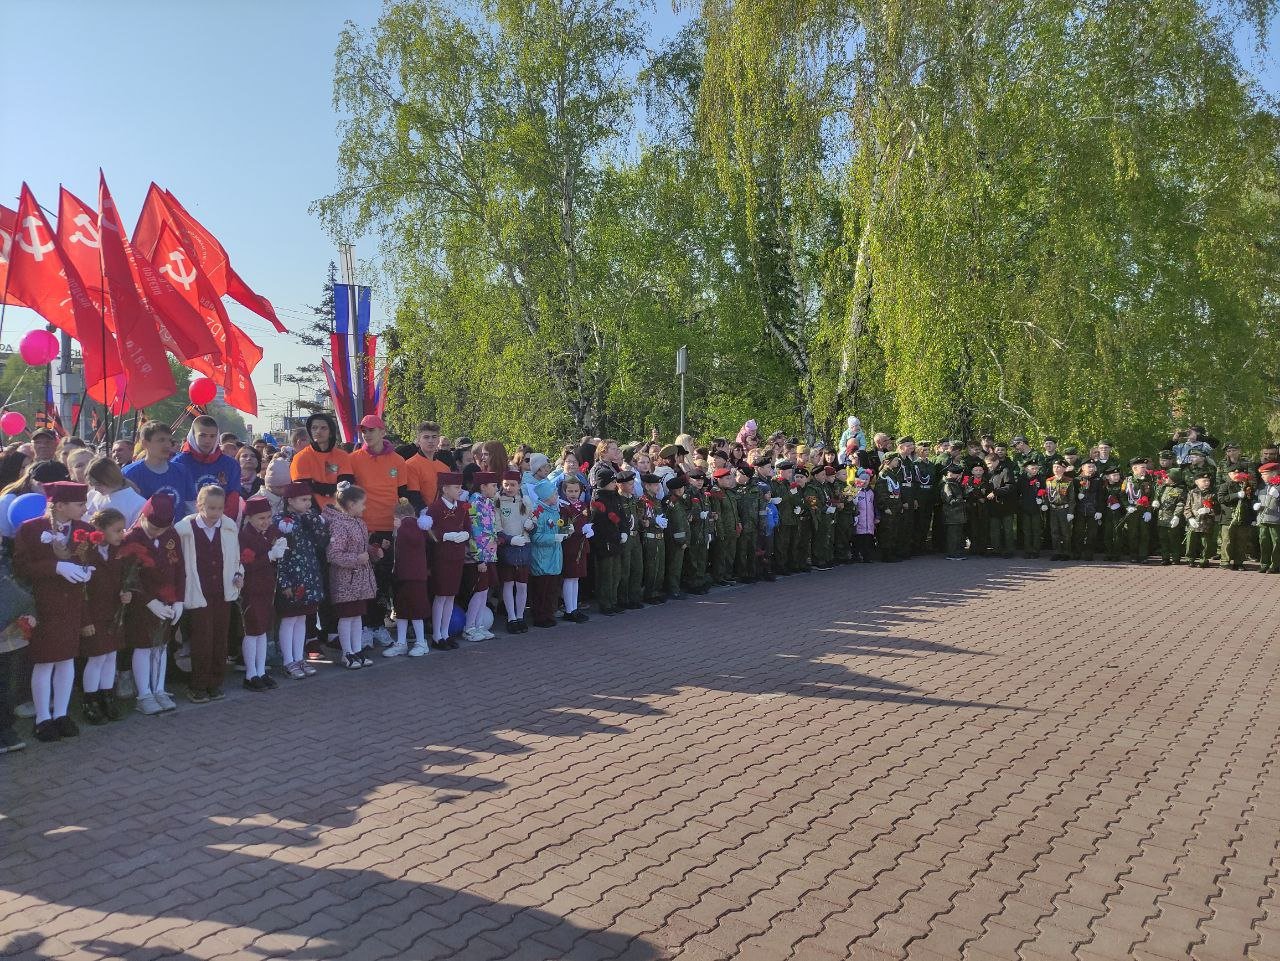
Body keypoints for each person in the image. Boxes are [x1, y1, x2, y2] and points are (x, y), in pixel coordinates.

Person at [13, 482, 94, 742]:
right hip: (44, 605)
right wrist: (55, 567)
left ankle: (60, 713)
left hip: (72, 603)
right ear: (59, 505)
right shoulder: (31, 529)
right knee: (45, 661)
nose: (85, 508)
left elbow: (90, 559)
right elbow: (22, 568)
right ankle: (42, 718)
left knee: (67, 659)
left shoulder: (86, 530)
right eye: (79, 504)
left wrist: (88, 570)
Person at [174, 486, 243, 704]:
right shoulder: (185, 529)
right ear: (199, 506)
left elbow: (236, 557)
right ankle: (198, 684)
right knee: (202, 639)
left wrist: (239, 573)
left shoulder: (229, 527)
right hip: (198, 591)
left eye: (220, 508)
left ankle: (215, 682)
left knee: (220, 638)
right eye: (210, 508)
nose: (215, 513)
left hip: (222, 591)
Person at [121, 494, 184, 716]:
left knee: (161, 646)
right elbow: (130, 577)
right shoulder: (132, 538)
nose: (157, 532)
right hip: (142, 604)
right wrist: (148, 601)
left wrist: (179, 600)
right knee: (143, 647)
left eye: (162, 528)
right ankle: (144, 693)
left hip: (167, 600)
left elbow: (180, 570)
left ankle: (159, 689)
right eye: (153, 527)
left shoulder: (171, 535)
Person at [79, 508, 131, 725]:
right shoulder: (86, 553)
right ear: (100, 530)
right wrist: (85, 620)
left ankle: (106, 695)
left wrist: (125, 593)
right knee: (97, 657)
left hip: (112, 612)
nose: (122, 534)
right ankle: (90, 701)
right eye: (117, 530)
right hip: (94, 614)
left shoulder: (115, 552)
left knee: (111, 656)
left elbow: (121, 579)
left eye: (123, 530)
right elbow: (80, 590)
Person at [273, 481, 330, 677]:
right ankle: (288, 660)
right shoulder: (282, 522)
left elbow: (323, 542)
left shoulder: (309, 519)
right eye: (303, 500)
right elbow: (281, 555)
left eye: (309, 500)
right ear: (290, 500)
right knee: (289, 620)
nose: (308, 503)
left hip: (308, 577)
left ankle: (299, 657)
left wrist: (315, 522)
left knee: (301, 620)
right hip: (292, 578)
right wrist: (285, 582)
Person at [325, 484, 379, 670]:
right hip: (346, 581)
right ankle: (347, 652)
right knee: (347, 617)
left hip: (360, 580)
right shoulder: (339, 525)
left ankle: (357, 650)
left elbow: (361, 547)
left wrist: (373, 551)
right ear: (350, 504)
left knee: (357, 616)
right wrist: (356, 559)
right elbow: (333, 554)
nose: (364, 507)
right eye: (362, 504)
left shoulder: (359, 522)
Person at [238, 496, 287, 690]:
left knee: (263, 632)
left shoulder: (269, 531)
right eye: (261, 518)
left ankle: (260, 670)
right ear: (249, 518)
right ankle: (251, 674)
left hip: (267, 588)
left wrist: (282, 543)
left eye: (268, 517)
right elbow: (247, 565)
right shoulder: (245, 536)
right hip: (251, 590)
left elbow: (279, 537)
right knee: (252, 631)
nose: (266, 521)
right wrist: (270, 555)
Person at [428, 472, 470, 649]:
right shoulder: (435, 507)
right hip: (442, 556)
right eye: (456, 487)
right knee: (441, 595)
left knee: (451, 595)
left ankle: (446, 632)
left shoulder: (462, 506)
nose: (460, 491)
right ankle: (437, 635)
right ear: (444, 489)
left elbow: (468, 526)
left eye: (460, 487)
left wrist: (465, 534)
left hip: (457, 556)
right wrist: (446, 536)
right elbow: (429, 531)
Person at [387, 499, 431, 657]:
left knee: (412, 610)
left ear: (398, 515)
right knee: (404, 610)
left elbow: (411, 540)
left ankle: (420, 642)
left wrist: (399, 528)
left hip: (409, 575)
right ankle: (403, 642)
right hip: (410, 575)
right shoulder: (417, 525)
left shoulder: (408, 525)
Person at [123, 422, 197, 514]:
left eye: (169, 440)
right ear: (145, 443)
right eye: (161, 440)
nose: (167, 445)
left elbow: (191, 508)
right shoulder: (129, 473)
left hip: (178, 528)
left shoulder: (181, 471)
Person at [461, 471, 500, 641]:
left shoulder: (488, 503)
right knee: (478, 591)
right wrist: (479, 557)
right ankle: (469, 628)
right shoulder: (475, 503)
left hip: (489, 554)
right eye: (493, 485)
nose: (496, 488)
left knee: (484, 591)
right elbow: (474, 532)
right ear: (483, 486)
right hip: (478, 557)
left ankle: (479, 625)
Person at [174, 415, 242, 509]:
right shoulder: (178, 464)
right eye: (202, 435)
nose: (208, 441)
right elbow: (176, 500)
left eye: (212, 436)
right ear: (193, 436)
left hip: (221, 521)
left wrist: (219, 522)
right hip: (186, 521)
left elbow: (233, 501)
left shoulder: (231, 465)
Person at [496, 469, 534, 633]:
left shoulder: (525, 501)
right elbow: (497, 527)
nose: (509, 488)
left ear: (519, 485)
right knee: (508, 583)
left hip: (524, 547)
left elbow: (532, 519)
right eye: (506, 484)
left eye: (513, 485)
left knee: (522, 585)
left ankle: (520, 616)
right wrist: (509, 539)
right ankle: (511, 617)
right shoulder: (497, 503)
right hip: (508, 549)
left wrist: (531, 525)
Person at [290, 413, 354, 510]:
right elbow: (304, 490)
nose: (318, 431)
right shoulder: (300, 457)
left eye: (323, 428)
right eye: (314, 428)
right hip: (311, 511)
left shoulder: (342, 456)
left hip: (340, 510)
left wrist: (316, 485)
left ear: (331, 433)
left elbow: (346, 486)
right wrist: (332, 488)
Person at [528, 478, 565, 628]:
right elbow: (536, 537)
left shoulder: (555, 511)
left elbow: (556, 528)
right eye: (554, 493)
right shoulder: (538, 512)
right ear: (546, 496)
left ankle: (549, 613)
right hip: (542, 557)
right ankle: (540, 616)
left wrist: (565, 531)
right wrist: (554, 538)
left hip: (554, 556)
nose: (557, 495)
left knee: (552, 588)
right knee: (541, 589)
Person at [85, 456, 147, 527]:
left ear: (110, 479)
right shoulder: (93, 494)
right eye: (92, 485)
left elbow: (136, 530)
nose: (95, 489)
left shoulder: (137, 502)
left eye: (98, 484)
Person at [1217, 465, 1255, 570]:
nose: (1237, 475)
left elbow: (1251, 501)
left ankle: (1239, 562)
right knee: (1227, 540)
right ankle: (1225, 561)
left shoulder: (1247, 486)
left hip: (1243, 518)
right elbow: (1221, 499)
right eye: (1234, 473)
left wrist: (1252, 518)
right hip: (1228, 517)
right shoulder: (1225, 486)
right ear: (1229, 474)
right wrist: (1236, 495)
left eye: (1239, 473)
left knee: (1241, 541)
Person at [1122, 458, 1156, 563]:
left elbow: (1152, 497)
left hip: (1144, 510)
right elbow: (1122, 495)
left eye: (1145, 467)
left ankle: (1143, 555)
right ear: (1134, 468)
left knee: (1144, 534)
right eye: (1142, 467)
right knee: (1133, 533)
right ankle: (1133, 555)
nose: (1145, 469)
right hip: (1133, 511)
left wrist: (1149, 510)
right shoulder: (1127, 480)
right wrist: (1127, 506)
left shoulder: (1149, 480)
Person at [1184, 471, 1220, 567]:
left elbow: (1218, 508)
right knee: (1191, 541)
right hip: (1194, 522)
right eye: (1204, 481)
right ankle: (1190, 558)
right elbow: (1187, 507)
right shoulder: (1192, 493)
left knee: (1206, 543)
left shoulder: (1213, 493)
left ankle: (1204, 559)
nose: (1207, 483)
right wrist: (1190, 518)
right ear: (1197, 482)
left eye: (1208, 480)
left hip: (1206, 522)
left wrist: (1209, 510)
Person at [1045, 460, 1076, 561]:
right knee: (1054, 532)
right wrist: (1045, 505)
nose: (1056, 469)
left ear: (1064, 469)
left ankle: (1066, 552)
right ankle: (1057, 552)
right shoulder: (1049, 480)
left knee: (1065, 532)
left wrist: (1071, 512)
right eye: (1054, 467)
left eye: (1058, 467)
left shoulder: (1068, 481)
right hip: (1053, 509)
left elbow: (1072, 498)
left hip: (1064, 509)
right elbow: (1047, 495)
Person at [1155, 467, 1187, 565]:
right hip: (1162, 517)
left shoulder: (1180, 490)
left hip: (1172, 518)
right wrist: (1155, 501)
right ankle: (1165, 557)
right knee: (1163, 538)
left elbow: (1181, 504)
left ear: (1174, 478)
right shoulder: (1162, 487)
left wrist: (1177, 516)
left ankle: (1176, 557)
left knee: (1174, 538)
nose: (1165, 479)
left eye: (1167, 477)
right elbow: (1157, 496)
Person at [1019, 460, 1047, 559]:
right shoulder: (1022, 479)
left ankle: (1036, 550)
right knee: (1026, 530)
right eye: (1032, 468)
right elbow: (1018, 493)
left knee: (1036, 530)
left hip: (1037, 508)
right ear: (1026, 469)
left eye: (1036, 468)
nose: (1035, 470)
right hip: (1025, 508)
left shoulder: (1041, 478)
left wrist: (1043, 502)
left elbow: (1045, 491)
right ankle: (1027, 550)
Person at [1255, 462, 1280, 574]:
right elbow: (1258, 499)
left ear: (1273, 473)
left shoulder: (1278, 486)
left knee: (1276, 542)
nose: (1262, 476)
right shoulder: (1262, 486)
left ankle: (1275, 565)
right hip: (1263, 518)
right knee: (1263, 541)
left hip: (1276, 519)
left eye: (1264, 474)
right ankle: (1264, 564)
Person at [940, 463, 968, 559]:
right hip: (952, 514)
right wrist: (961, 499)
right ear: (951, 474)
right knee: (953, 536)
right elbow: (950, 500)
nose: (959, 476)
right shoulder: (947, 485)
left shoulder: (956, 484)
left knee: (958, 535)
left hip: (958, 515)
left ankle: (957, 551)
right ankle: (952, 553)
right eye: (957, 474)